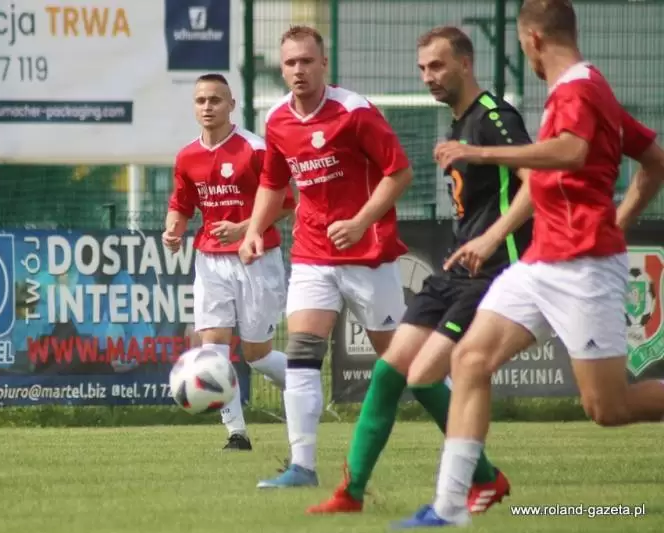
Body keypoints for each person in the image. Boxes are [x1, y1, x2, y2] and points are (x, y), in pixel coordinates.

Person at [397, 0, 664, 527]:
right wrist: (619, 220)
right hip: (541, 261)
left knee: (607, 408)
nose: (526, 54)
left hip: (584, 268)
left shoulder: (578, 90)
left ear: (534, 40)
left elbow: (569, 151)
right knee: (469, 360)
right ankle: (449, 507)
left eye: (523, 45)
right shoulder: (588, 88)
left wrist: (479, 153)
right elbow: (655, 161)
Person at [306, 25, 532, 515]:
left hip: (494, 271)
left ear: (465, 64)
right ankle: (351, 493)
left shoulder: (494, 117)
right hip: (454, 269)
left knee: (426, 377)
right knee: (390, 371)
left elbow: (538, 184)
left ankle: (482, 481)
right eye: (423, 68)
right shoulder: (456, 126)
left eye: (438, 66)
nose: (428, 76)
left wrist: (492, 238)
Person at [238, 25, 414, 488]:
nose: (298, 69)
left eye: (306, 61)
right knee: (302, 354)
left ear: (323, 64)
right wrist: (254, 230)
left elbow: (400, 172)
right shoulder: (278, 119)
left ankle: (467, 442)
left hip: (368, 254)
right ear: (283, 69)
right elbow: (273, 183)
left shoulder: (354, 112)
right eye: (290, 62)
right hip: (313, 253)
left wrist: (360, 222)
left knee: (406, 361)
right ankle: (302, 467)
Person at [163, 73, 295, 451]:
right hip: (210, 260)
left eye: (215, 100)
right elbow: (181, 205)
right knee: (213, 349)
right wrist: (173, 230)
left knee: (257, 355)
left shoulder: (254, 149)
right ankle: (236, 434)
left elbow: (287, 202)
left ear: (231, 105)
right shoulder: (187, 156)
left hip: (256, 258)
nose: (208, 107)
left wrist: (243, 228)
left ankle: (302, 384)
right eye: (201, 100)